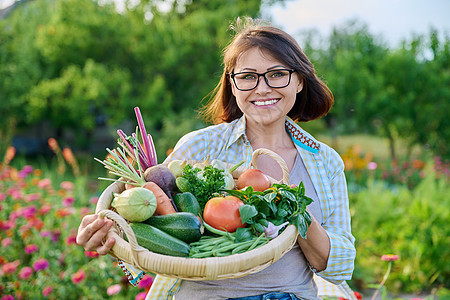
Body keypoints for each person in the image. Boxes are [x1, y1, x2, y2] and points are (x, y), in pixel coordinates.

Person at [76, 17, 356, 300]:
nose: (262, 88)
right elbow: (152, 233)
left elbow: (338, 266)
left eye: (277, 73)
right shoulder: (200, 147)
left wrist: (292, 208)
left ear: (298, 81)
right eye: (247, 77)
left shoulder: (324, 161)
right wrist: (110, 239)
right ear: (232, 86)